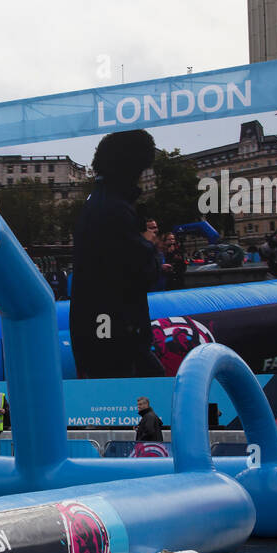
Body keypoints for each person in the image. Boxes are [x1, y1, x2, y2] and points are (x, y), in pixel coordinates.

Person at [70, 129, 163, 378]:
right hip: (118, 336)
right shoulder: (115, 210)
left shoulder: (97, 202)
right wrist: (150, 245)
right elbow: (141, 274)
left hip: (99, 331)